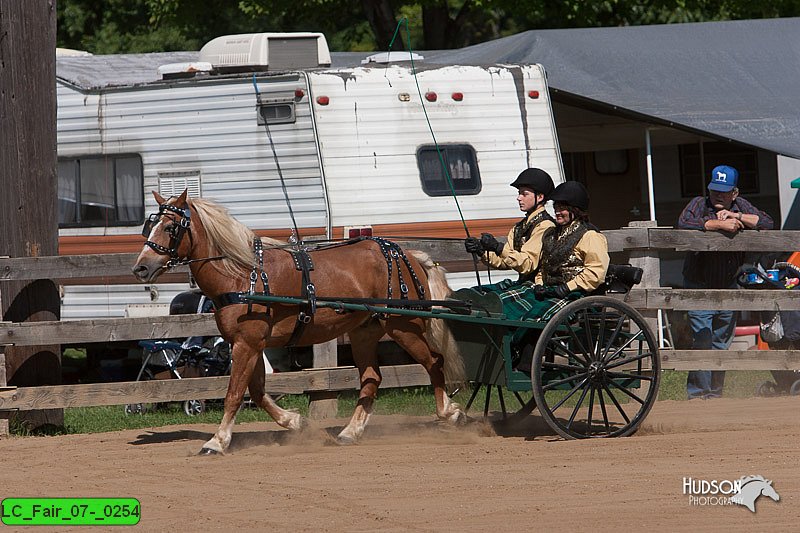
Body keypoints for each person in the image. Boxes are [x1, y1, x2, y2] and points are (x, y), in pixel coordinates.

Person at [678, 165, 774, 399]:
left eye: (724, 191)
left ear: (735, 193)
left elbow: (768, 223)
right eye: (715, 190)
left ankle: (715, 394)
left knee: (721, 343)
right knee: (703, 339)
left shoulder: (741, 206)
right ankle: (699, 394)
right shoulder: (699, 204)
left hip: (728, 285)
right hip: (699, 285)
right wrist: (718, 224)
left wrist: (736, 217)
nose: (718, 195)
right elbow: (683, 223)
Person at [463, 167, 556, 315]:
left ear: (540, 197)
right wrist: (481, 251)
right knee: (469, 295)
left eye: (524, 194)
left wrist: (498, 247)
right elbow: (505, 261)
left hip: (536, 287)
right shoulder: (519, 228)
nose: (519, 198)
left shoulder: (545, 226)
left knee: (493, 305)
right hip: (521, 284)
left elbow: (527, 264)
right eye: (519, 193)